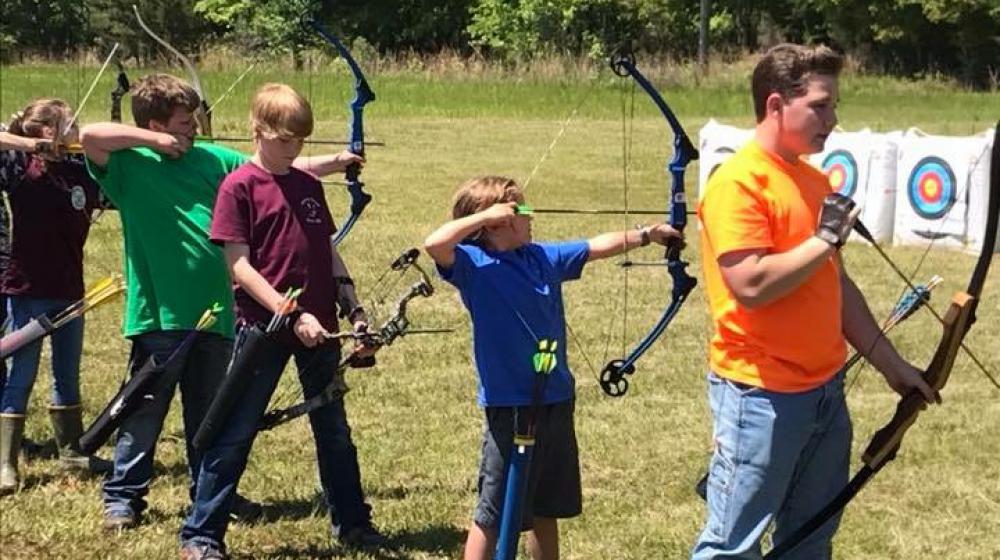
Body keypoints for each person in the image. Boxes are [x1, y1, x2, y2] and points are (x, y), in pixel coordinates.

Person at [692, 43, 938, 559]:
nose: (833, 118)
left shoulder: (812, 178)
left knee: (810, 540)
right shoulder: (738, 183)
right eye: (821, 105)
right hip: (760, 397)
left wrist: (893, 367)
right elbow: (750, 285)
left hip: (825, 391)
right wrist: (822, 240)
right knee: (731, 547)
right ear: (777, 105)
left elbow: (836, 286)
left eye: (834, 105)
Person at [79, 74, 351, 533]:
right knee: (145, 407)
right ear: (156, 124)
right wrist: (156, 141)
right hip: (160, 312)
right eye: (184, 124)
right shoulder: (127, 165)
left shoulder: (210, 159)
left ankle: (204, 493)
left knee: (209, 412)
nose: (192, 132)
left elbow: (270, 166)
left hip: (219, 312)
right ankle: (123, 496)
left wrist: (338, 161)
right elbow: (88, 135)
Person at [423, 175, 684, 560]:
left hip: (556, 397)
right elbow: (435, 243)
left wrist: (648, 234)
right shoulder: (472, 265)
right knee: (494, 512)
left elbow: (596, 246)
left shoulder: (541, 257)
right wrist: (484, 217)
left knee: (547, 506)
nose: (532, 217)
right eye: (523, 210)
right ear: (498, 222)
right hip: (510, 405)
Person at [178, 83, 380, 560]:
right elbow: (239, 267)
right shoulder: (239, 186)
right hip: (262, 329)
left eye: (300, 141)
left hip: (321, 327)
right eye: (285, 139)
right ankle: (201, 535)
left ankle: (353, 524)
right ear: (259, 130)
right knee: (236, 429)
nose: (294, 149)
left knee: (334, 430)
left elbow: (327, 252)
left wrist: (355, 309)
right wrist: (291, 313)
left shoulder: (308, 185)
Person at [0, 100, 113, 496]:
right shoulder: (18, 167)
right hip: (27, 288)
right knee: (21, 376)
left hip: (70, 289)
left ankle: (72, 452)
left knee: (67, 373)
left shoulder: (80, 168)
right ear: (46, 131)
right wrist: (30, 148)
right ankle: (6, 464)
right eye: (68, 125)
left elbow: (116, 188)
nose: (76, 130)